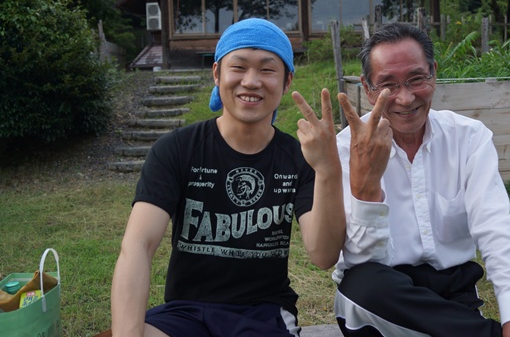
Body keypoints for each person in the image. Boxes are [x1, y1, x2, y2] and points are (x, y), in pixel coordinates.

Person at [111, 18, 345, 337]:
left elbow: (322, 255)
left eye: (266, 69)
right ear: (217, 74)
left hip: (264, 314)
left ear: (287, 80)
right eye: (238, 67)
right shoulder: (176, 149)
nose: (251, 81)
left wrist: (328, 170)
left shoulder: (298, 158)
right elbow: (137, 245)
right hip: (186, 312)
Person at [332, 22, 510, 337]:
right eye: (388, 84)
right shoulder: (345, 150)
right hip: (382, 301)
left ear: (434, 73)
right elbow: (362, 259)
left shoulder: (468, 138)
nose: (405, 97)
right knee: (363, 287)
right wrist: (366, 187)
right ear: (368, 88)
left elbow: (495, 230)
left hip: (455, 295)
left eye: (416, 79)